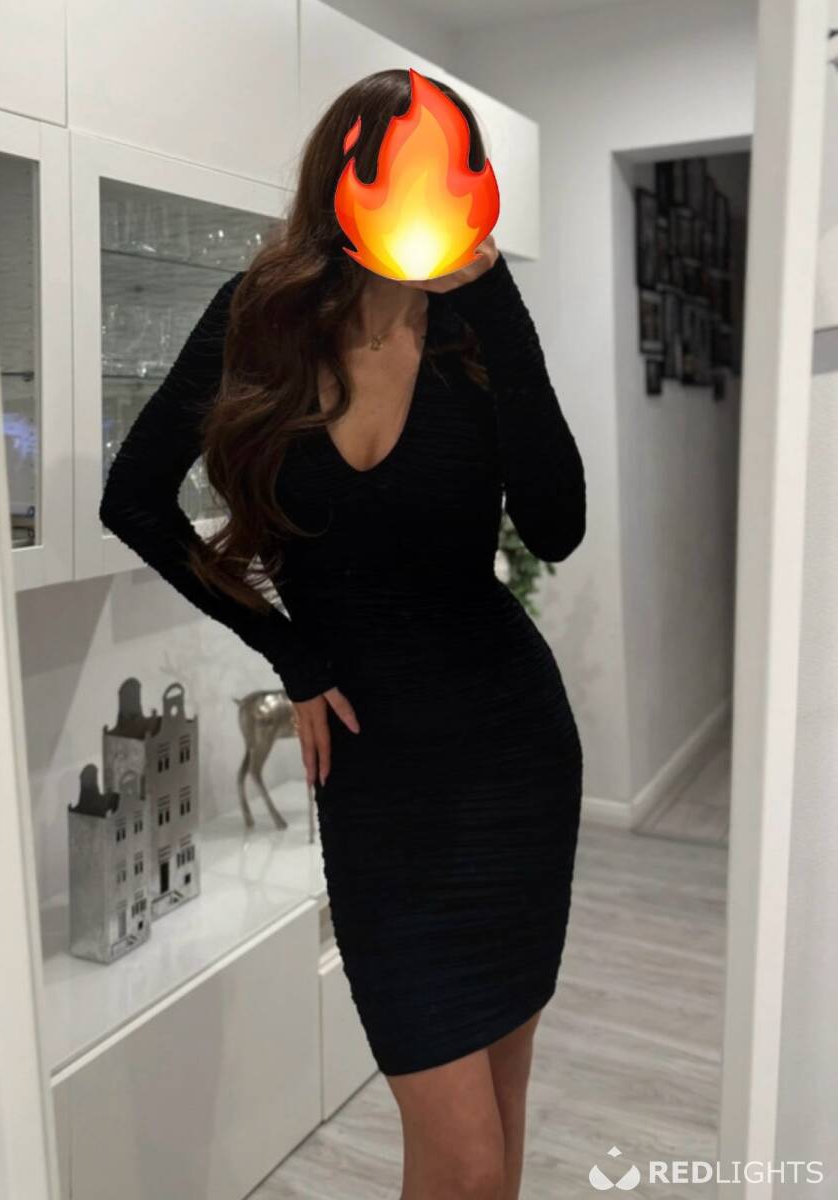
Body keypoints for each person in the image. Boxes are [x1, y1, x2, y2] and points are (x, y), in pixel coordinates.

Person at [100, 68, 586, 1200]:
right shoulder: (257, 321)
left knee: (496, 1124)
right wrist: (293, 654)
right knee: (461, 1154)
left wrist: (496, 298)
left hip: (511, 756)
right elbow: (134, 501)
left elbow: (556, 527)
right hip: (377, 781)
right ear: (345, 181)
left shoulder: (472, 336)